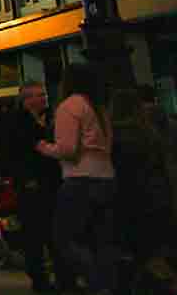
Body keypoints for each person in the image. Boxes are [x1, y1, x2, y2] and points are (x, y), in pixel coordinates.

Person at [37, 63, 118, 295]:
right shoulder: (99, 108)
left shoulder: (69, 106)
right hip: (106, 176)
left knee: (64, 238)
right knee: (101, 239)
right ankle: (108, 284)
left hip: (81, 178)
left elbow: (68, 149)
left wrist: (44, 147)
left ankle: (96, 282)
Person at [0, 80, 68, 293]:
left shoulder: (53, 117)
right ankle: (39, 279)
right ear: (25, 99)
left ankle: (62, 277)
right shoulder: (17, 122)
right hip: (30, 184)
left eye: (43, 94)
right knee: (35, 234)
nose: (42, 98)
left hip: (54, 181)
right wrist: (24, 178)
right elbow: (12, 153)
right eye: (36, 95)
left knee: (56, 234)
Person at [111, 87, 175, 289]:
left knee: (136, 254)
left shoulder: (113, 138)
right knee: (156, 250)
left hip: (129, 201)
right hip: (157, 196)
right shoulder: (151, 133)